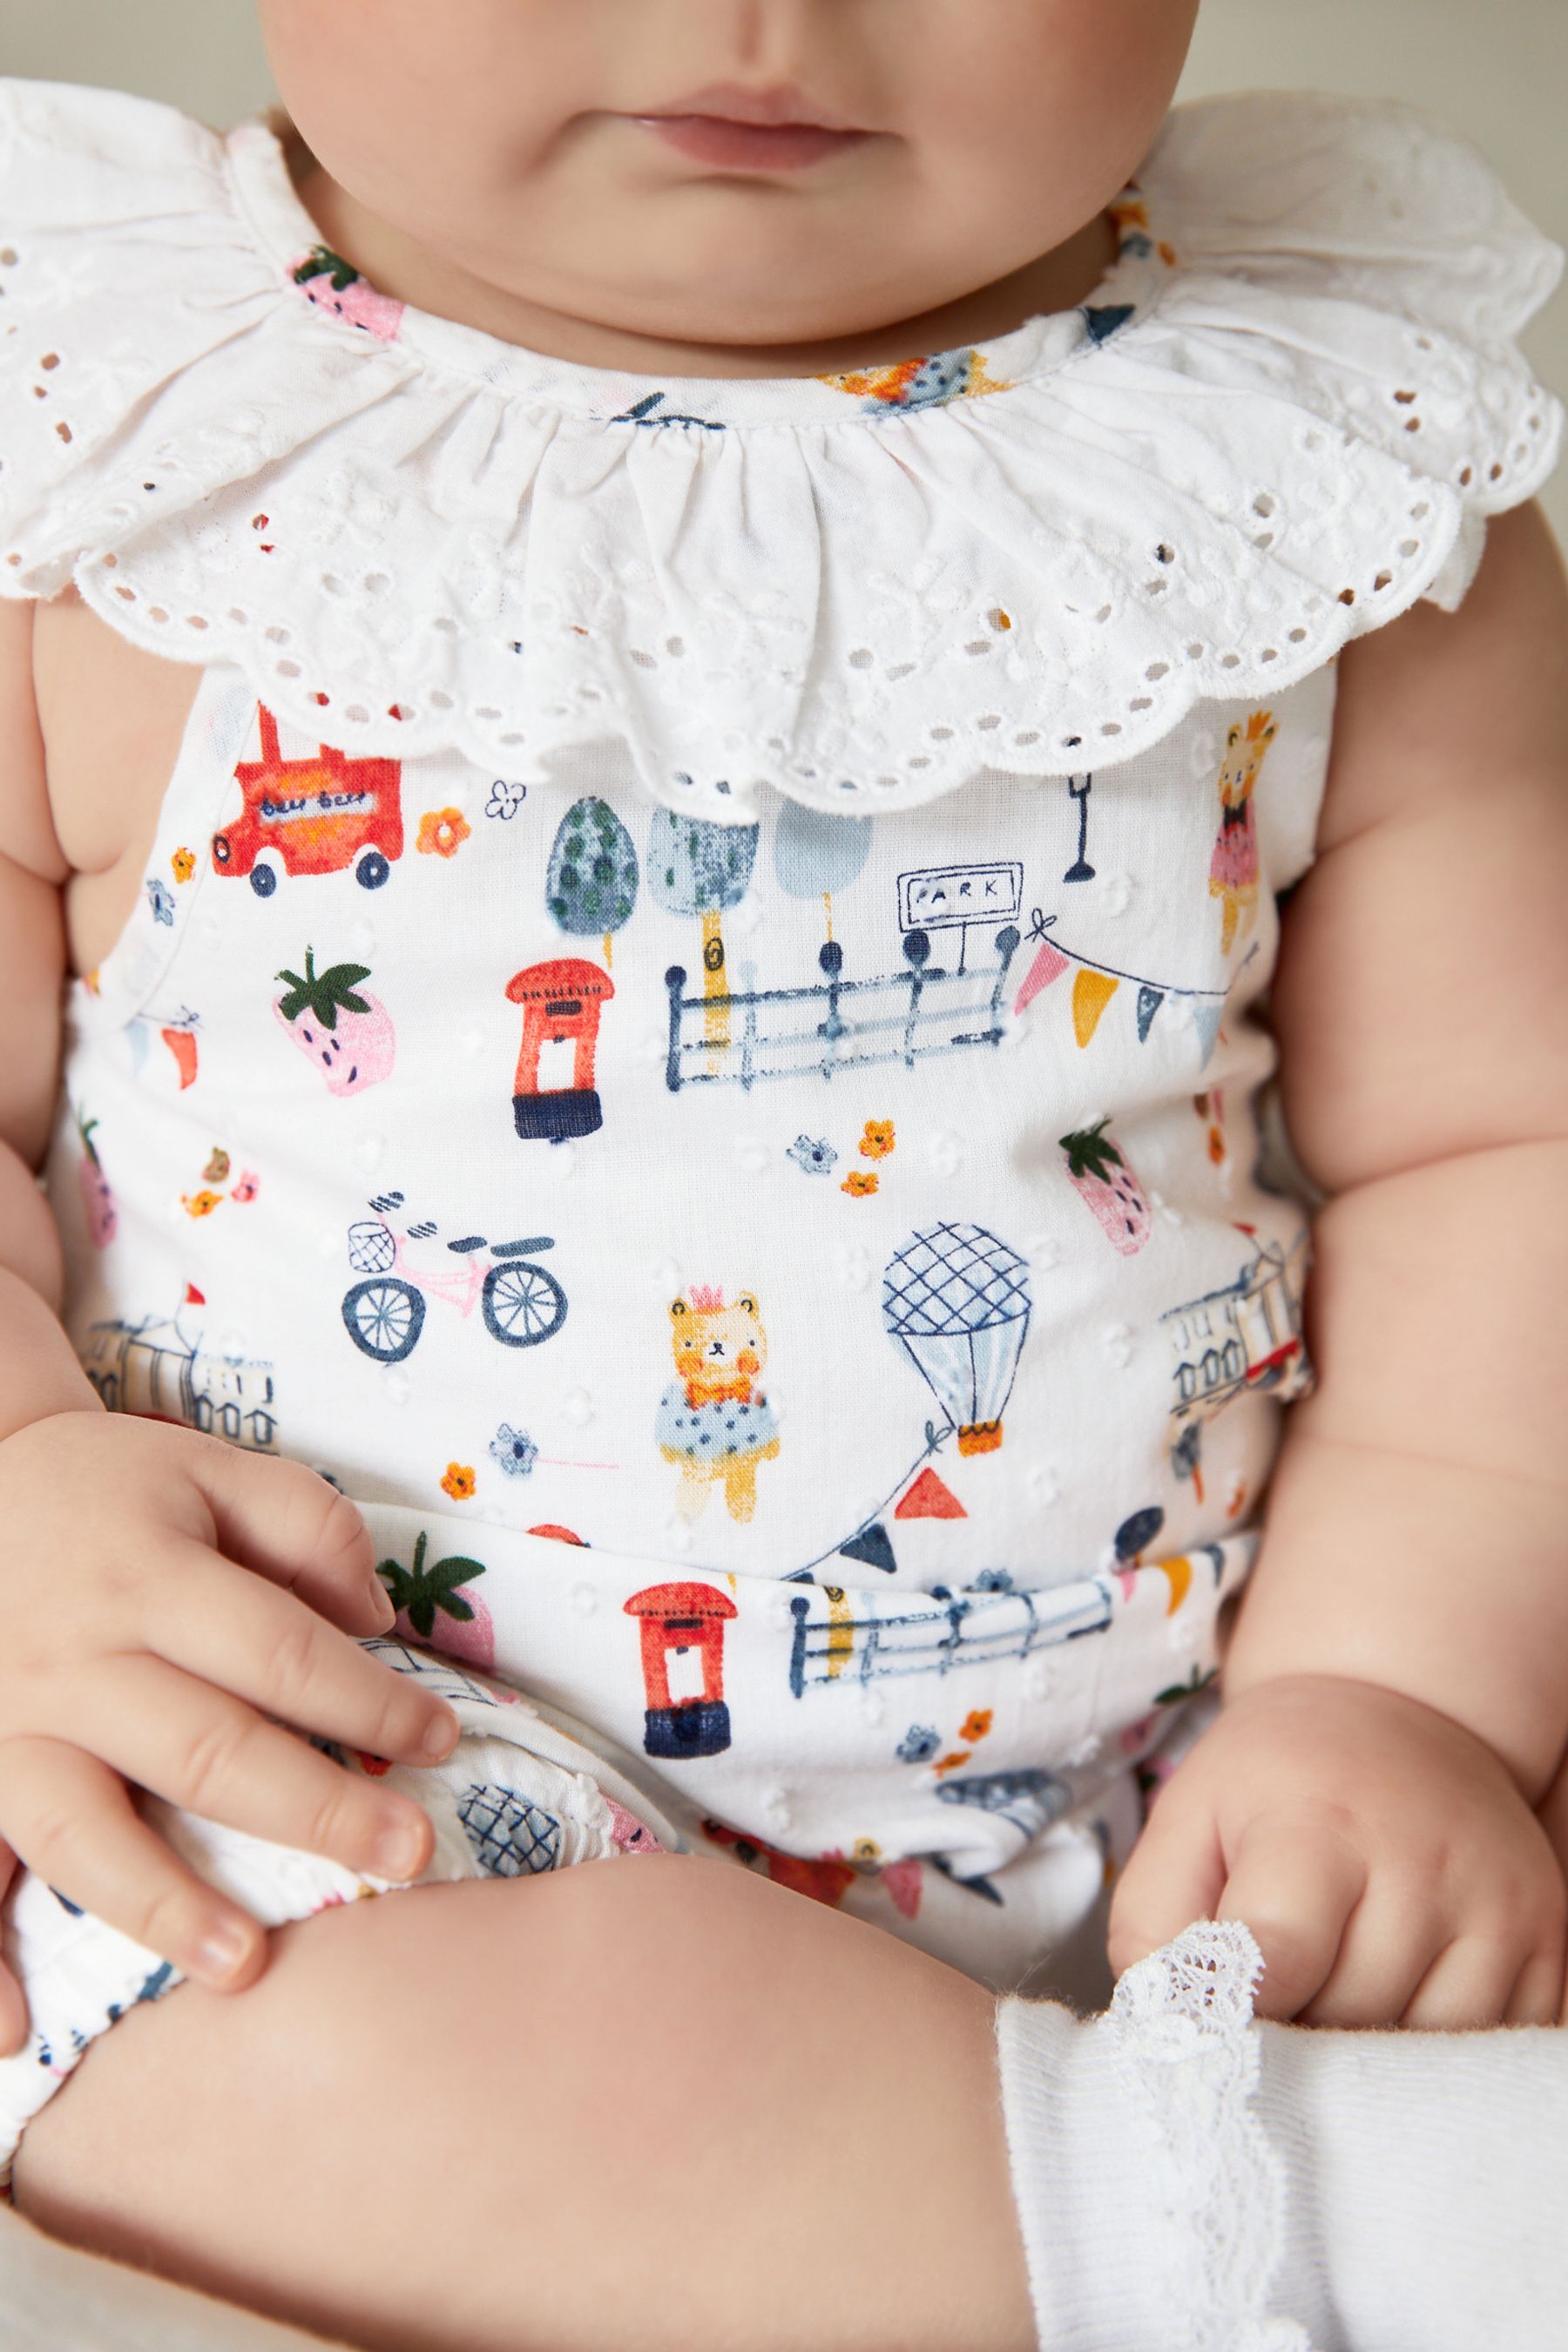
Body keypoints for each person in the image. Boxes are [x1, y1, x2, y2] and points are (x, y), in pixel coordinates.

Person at [0, 3, 1563, 2345]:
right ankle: (1317, 2230)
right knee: (209, 1998)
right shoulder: (113, 431)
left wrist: (1402, 1692)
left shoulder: (1302, 471)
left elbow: (1505, 1148)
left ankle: (1183, 2154)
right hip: (360, 1760)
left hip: (1188, 1793)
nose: (765, 13)